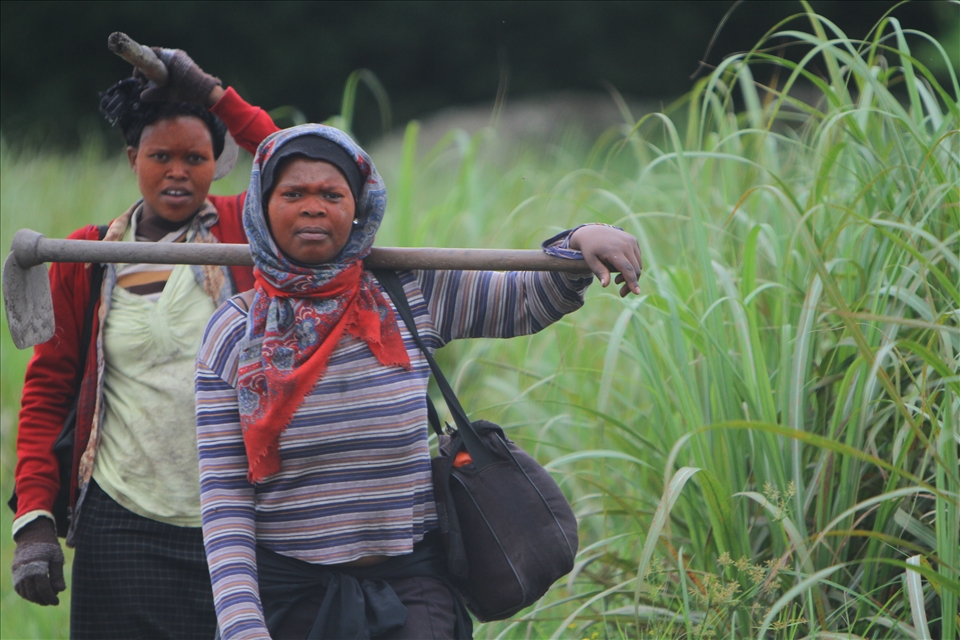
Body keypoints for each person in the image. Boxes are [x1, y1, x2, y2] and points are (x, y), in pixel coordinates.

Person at [194, 124, 642, 639]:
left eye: (331, 194)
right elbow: (224, 498)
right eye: (293, 193)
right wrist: (241, 624)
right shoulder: (233, 333)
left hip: (413, 590)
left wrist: (579, 242)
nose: (313, 207)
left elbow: (525, 301)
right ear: (261, 206)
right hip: (292, 600)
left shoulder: (404, 292)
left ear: (359, 207)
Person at [10, 48, 280, 639]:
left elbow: (306, 166)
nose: (178, 172)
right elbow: (49, 388)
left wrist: (213, 93)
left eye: (195, 158)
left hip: (236, 525)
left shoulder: (242, 232)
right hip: (121, 519)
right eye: (161, 157)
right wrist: (33, 519)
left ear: (219, 163)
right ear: (134, 158)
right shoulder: (88, 256)